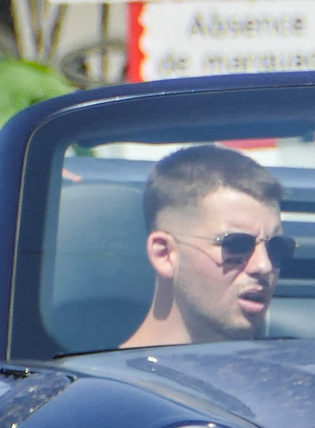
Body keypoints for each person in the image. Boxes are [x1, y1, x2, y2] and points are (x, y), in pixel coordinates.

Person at [121, 146, 293, 348]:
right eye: (237, 245)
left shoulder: (283, 372)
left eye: (277, 247)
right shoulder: (105, 379)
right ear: (165, 254)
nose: (264, 266)